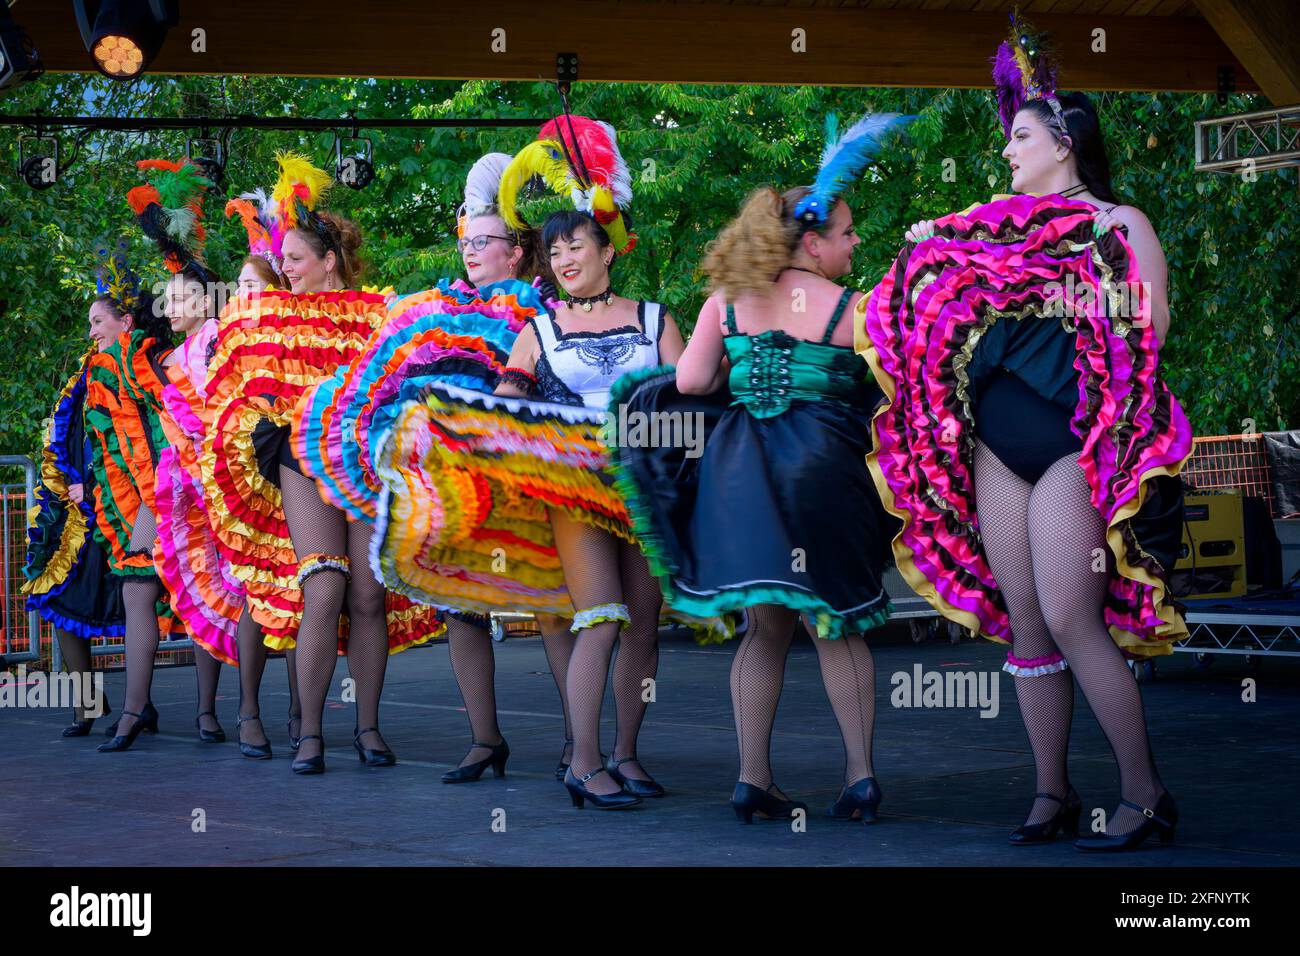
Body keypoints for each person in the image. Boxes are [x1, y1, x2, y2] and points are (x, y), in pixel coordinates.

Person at [861, 14, 1191, 851]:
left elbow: (1148, 334)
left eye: (1020, 136)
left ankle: (1146, 795)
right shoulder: (985, 234)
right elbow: (910, 310)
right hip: (998, 448)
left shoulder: (1120, 225)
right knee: (1029, 622)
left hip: (1076, 449)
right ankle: (1050, 792)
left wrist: (1081, 285)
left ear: (1065, 143)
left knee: (1074, 616)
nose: (1007, 151)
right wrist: (925, 256)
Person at [371, 115, 684, 808]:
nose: (564, 257)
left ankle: (627, 755)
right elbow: (507, 414)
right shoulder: (537, 330)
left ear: (610, 245)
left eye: (576, 243)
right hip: (572, 491)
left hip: (644, 488)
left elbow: (691, 405)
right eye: (555, 248)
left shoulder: (659, 320)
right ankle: (584, 761)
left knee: (644, 622)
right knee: (599, 617)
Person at [608, 114, 908, 823]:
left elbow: (687, 382)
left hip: (742, 479)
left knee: (765, 625)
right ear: (811, 241)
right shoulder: (855, 310)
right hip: (823, 474)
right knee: (836, 621)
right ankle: (861, 778)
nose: (855, 241)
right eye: (846, 232)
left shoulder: (727, 302)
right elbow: (892, 391)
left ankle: (752, 779)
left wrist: (741, 377)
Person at [205, 152, 440, 775]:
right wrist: (260, 431)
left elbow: (407, 377)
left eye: (296, 259)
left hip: (363, 461)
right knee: (324, 584)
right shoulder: (264, 314)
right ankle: (308, 731)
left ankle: (367, 727)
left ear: (329, 261)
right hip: (302, 463)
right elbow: (231, 391)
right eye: (282, 261)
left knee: (368, 595)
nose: (284, 268)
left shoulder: (380, 313)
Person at [94, 158, 228, 752]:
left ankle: (208, 711)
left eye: (181, 297)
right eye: (165, 299)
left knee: (205, 588)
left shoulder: (220, 341)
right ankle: (133, 709)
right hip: (151, 488)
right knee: (137, 589)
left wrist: (174, 246)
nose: (169, 306)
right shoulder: (148, 351)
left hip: (203, 481)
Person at [22, 248, 137, 735]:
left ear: (125, 321)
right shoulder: (86, 373)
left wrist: (98, 486)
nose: (90, 331)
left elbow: (140, 443)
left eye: (98, 321)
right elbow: (67, 436)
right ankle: (89, 701)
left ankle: (140, 705)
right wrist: (70, 485)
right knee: (61, 596)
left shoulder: (139, 370)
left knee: (140, 601)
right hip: (79, 510)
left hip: (127, 508)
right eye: (89, 323)